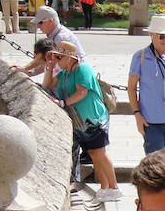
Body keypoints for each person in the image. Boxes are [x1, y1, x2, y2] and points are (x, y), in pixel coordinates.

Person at [44, 41, 121, 200]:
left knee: (99, 152)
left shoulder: (82, 69)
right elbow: (48, 84)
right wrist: (50, 66)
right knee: (94, 153)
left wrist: (63, 103)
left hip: (95, 119)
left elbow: (82, 92)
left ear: (71, 58)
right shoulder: (65, 73)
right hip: (82, 123)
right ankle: (105, 188)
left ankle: (114, 187)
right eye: (56, 57)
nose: (58, 60)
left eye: (59, 57)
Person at [127, 15, 165, 155]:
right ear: (151, 35)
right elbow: (131, 87)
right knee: (156, 166)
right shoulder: (141, 56)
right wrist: (137, 115)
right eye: (162, 37)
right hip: (151, 121)